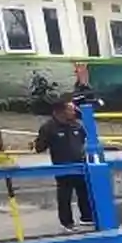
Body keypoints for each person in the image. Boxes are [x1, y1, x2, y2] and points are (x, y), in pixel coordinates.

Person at [34, 95, 94, 232]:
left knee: (84, 191)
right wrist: (35, 144)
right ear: (60, 111)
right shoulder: (48, 128)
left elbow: (86, 141)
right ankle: (67, 223)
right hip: (62, 167)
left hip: (80, 165)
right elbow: (39, 148)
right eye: (71, 109)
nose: (74, 112)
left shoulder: (77, 126)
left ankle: (87, 217)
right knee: (64, 195)